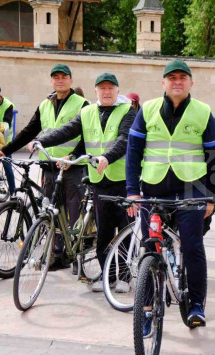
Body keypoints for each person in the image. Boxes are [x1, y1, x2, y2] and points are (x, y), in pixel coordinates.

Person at [126, 60, 215, 328]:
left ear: (191, 83)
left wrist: (211, 196)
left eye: (182, 77)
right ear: (163, 83)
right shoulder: (148, 110)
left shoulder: (203, 112)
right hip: (154, 187)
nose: (177, 81)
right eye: (172, 77)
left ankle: (197, 305)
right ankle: (145, 310)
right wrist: (132, 191)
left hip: (192, 189)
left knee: (192, 246)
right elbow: (133, 152)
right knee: (149, 247)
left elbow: (213, 158)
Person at [34, 73, 135, 292]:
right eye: (102, 88)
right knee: (104, 233)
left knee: (124, 230)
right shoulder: (87, 111)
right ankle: (108, 277)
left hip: (122, 180)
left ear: (118, 91)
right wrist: (42, 140)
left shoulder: (128, 111)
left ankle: (125, 276)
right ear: (95, 91)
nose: (106, 92)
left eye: (111, 88)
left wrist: (107, 157)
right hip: (98, 181)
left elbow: (124, 139)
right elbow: (69, 131)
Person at [0, 64, 89, 267]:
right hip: (49, 165)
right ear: (51, 80)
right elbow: (29, 131)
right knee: (52, 212)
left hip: (72, 167)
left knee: (73, 214)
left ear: (71, 80)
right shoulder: (45, 104)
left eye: (64, 77)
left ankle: (77, 256)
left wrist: (73, 155)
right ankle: (58, 255)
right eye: (56, 77)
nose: (60, 80)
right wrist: (5, 150)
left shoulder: (83, 104)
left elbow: (89, 134)